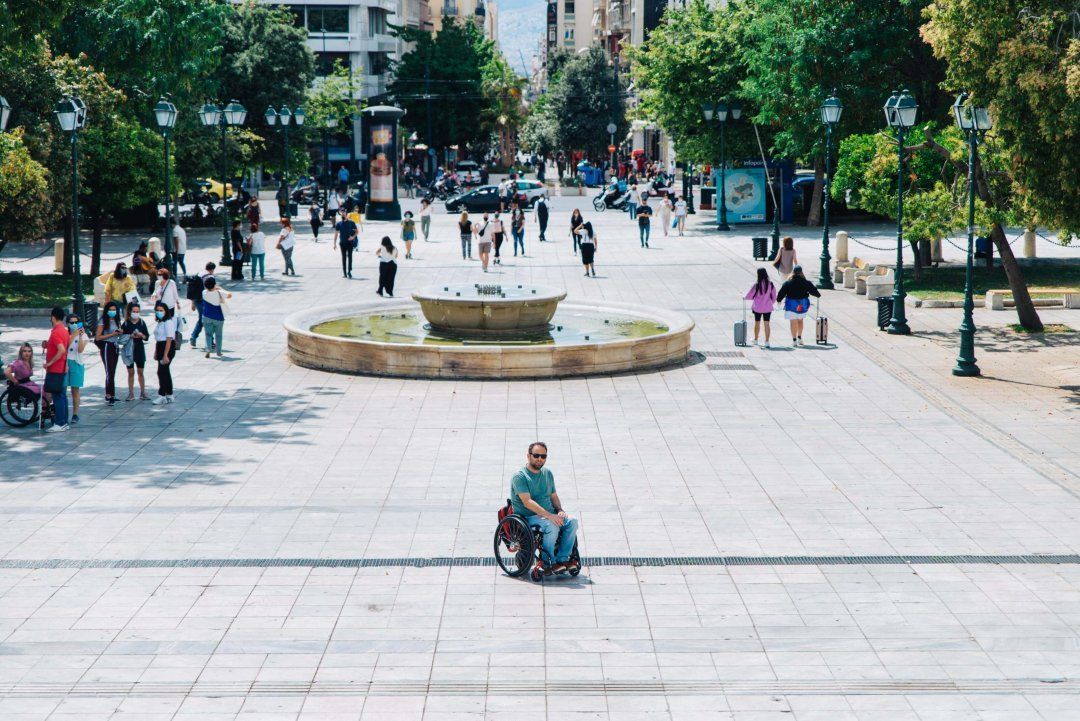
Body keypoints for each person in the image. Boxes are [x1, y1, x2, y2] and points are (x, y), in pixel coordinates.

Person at [509, 442, 579, 574]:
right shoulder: (520, 477)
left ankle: (562, 559)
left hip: (549, 514)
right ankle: (548, 562)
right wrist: (549, 515)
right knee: (551, 525)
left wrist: (559, 510)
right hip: (528, 517)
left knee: (573, 521)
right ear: (528, 456)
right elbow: (527, 502)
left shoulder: (547, 473)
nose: (540, 459)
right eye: (536, 455)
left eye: (543, 456)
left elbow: (554, 496)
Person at [775, 265, 820, 347]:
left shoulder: (788, 282)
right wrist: (817, 295)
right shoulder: (806, 282)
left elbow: (781, 293)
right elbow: (814, 291)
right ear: (801, 272)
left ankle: (794, 340)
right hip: (802, 304)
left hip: (791, 305)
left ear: (793, 272)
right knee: (800, 321)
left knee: (793, 322)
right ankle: (799, 337)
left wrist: (778, 300)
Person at [41, 307, 70, 432]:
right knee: (62, 395)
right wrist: (48, 345)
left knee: (57, 395)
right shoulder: (64, 331)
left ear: (53, 317)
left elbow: (61, 350)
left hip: (55, 368)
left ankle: (59, 423)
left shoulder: (56, 332)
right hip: (62, 367)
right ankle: (64, 422)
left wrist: (49, 363)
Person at [95, 300, 124, 405]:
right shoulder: (103, 320)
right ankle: (110, 395)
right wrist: (112, 334)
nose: (112, 311)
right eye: (110, 310)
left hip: (115, 346)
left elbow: (119, 333)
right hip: (107, 346)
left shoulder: (116, 320)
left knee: (113, 371)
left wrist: (120, 332)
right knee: (109, 371)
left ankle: (111, 394)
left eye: (114, 310)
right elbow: (98, 337)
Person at [120, 302, 149, 400]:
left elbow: (146, 337)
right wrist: (130, 336)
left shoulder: (141, 322)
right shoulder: (126, 323)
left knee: (140, 371)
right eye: (134, 311)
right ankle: (131, 393)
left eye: (137, 311)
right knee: (131, 372)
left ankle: (143, 392)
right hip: (129, 350)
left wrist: (141, 335)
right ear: (130, 312)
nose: (136, 313)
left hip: (139, 348)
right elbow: (121, 337)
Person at [744, 268, 777, 349]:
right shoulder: (770, 284)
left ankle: (756, 339)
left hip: (757, 307)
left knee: (757, 323)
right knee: (767, 324)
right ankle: (767, 342)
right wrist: (770, 303)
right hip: (767, 307)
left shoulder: (757, 284)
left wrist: (745, 297)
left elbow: (750, 295)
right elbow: (774, 296)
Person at [65, 313, 89, 422]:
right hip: (65, 362)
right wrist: (73, 334)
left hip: (77, 362)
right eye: (72, 322)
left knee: (75, 389)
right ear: (68, 324)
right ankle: (62, 413)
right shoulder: (65, 334)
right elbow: (65, 347)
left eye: (76, 322)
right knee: (62, 389)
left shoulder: (83, 335)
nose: (74, 324)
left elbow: (80, 350)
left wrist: (79, 336)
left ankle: (75, 414)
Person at [152, 301, 177, 405]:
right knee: (164, 371)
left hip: (167, 347)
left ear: (166, 311)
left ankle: (162, 395)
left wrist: (165, 354)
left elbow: (169, 339)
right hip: (160, 346)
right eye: (157, 310)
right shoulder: (160, 322)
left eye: (161, 310)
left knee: (161, 372)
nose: (159, 312)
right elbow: (158, 338)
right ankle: (169, 393)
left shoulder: (168, 322)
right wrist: (156, 351)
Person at [200, 276, 231, 359]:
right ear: (214, 284)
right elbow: (229, 295)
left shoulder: (204, 292)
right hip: (218, 317)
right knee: (219, 335)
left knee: (208, 334)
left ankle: (208, 350)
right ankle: (219, 352)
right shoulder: (219, 292)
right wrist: (221, 288)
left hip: (206, 316)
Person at [333, 208, 358, 278]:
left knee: (350, 256)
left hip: (350, 242)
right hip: (342, 243)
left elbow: (357, 231)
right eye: (342, 213)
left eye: (344, 213)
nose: (343, 214)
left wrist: (353, 237)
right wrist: (334, 244)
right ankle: (344, 273)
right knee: (343, 257)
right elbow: (336, 234)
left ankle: (349, 271)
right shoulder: (339, 224)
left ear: (347, 214)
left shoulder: (351, 222)